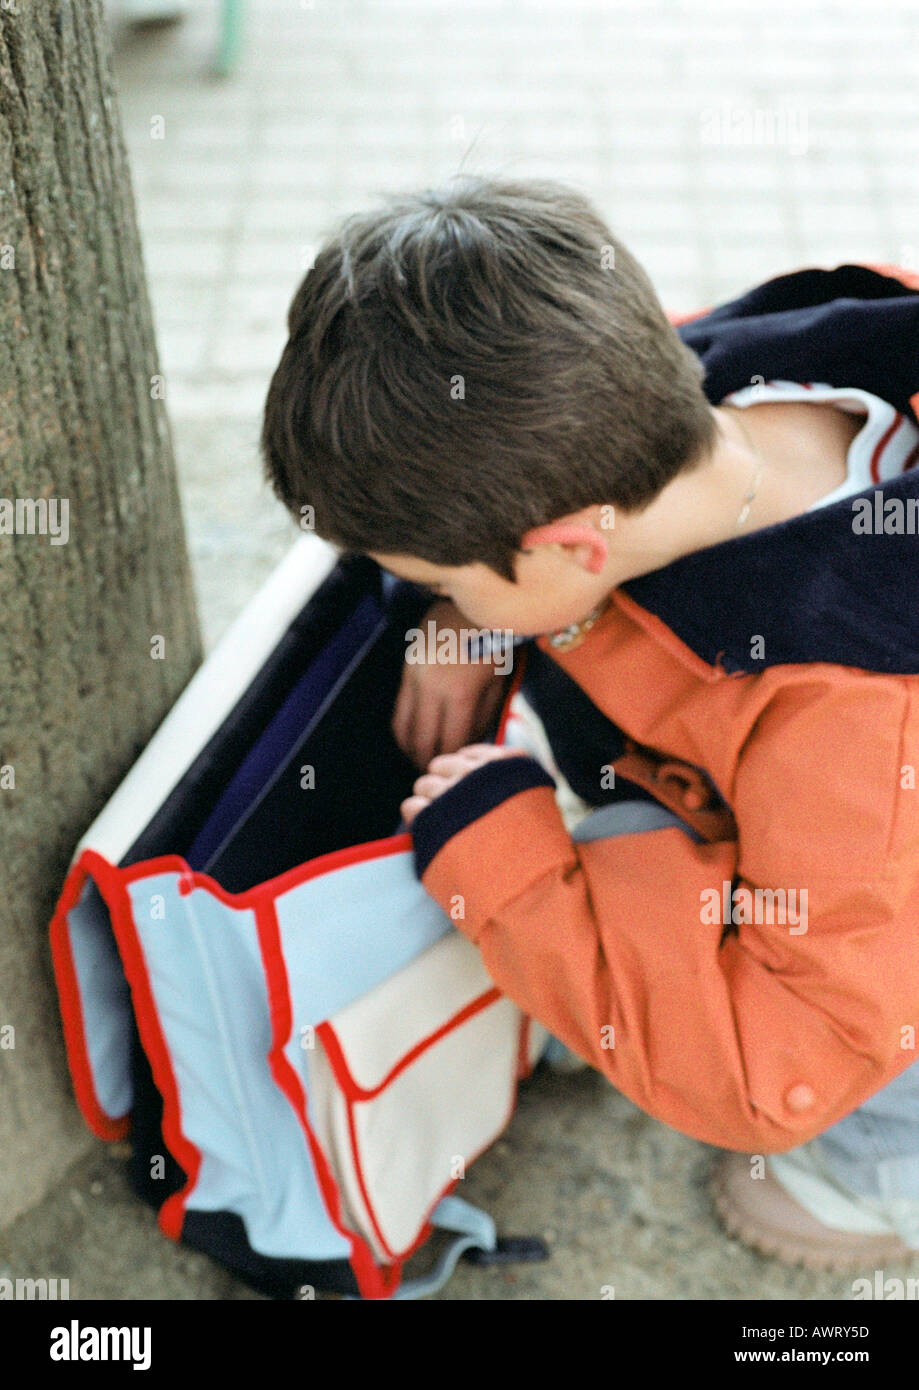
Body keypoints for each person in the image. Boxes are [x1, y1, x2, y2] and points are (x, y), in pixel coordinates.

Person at [261, 174, 919, 1270]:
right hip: (800, 819)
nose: (443, 604)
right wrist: (455, 615)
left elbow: (781, 1058)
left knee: (844, 1018)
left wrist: (511, 875)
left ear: (573, 548)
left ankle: (883, 1167)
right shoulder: (697, 379)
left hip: (871, 934)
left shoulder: (846, 714)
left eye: (441, 579)